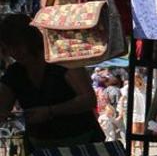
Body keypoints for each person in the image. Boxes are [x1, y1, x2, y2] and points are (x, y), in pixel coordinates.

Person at [0, 13, 101, 147]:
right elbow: (3, 107)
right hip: (40, 149)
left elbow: (89, 99)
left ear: (30, 39)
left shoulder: (63, 62)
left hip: (82, 143)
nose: (14, 52)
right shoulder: (14, 72)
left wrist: (50, 111)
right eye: (9, 47)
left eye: (18, 45)